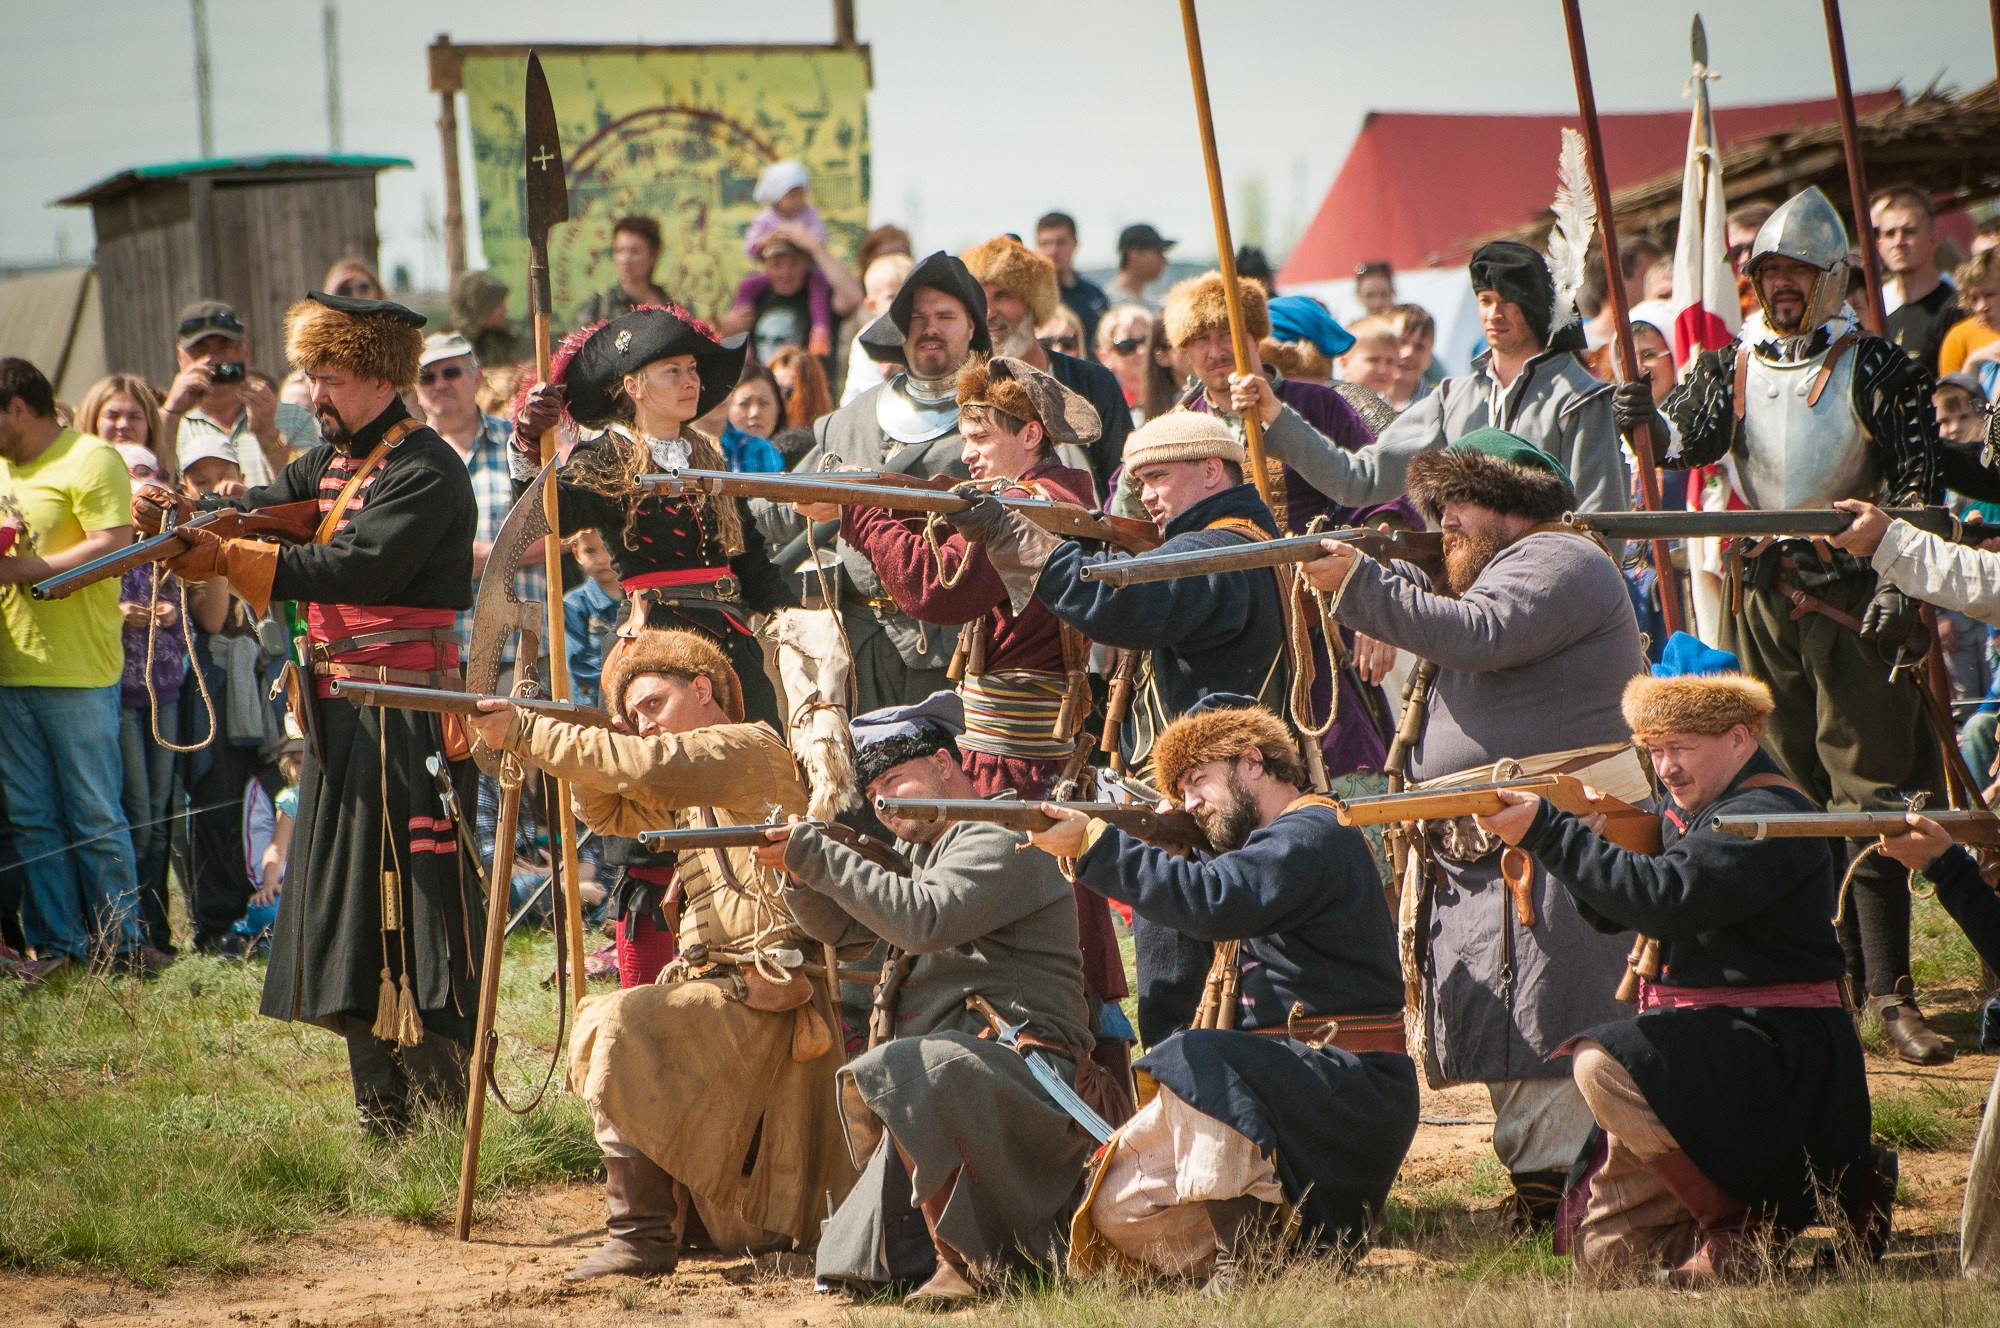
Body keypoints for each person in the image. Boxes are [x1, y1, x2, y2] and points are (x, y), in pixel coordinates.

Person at [1615, 185, 1952, 1066]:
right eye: (1769, 272)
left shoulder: (1877, 368)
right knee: (1787, 789)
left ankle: (1890, 991)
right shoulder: (1729, 365)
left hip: (1853, 597)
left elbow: (1919, 496)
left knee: (1869, 792)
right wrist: (1644, 418)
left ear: (1833, 276)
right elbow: (1684, 445)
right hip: (1768, 596)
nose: (1782, 287)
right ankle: (1825, 980)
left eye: (1798, 271)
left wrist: (1903, 584)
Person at [144, 293, 483, 1132]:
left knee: (416, 911)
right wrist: (189, 517)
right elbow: (268, 502)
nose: (310, 394)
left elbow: (351, 568)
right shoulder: (333, 463)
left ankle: (440, 1116)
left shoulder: (426, 468)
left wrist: (229, 556)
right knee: (345, 913)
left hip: (407, 720)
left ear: (375, 377)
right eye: (309, 375)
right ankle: (380, 1108)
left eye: (324, 377)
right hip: (341, 718)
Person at [1298, 429, 1647, 1226]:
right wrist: (1383, 582)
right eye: (1439, 504)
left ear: (1514, 500)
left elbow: (1479, 635)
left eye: (1459, 500)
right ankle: (1545, 1188)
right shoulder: (1495, 569)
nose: (1445, 518)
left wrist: (1362, 583)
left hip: (1558, 831)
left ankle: (1573, 1192)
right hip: (1495, 842)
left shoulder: (1561, 558)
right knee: (1512, 1013)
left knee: (1557, 1011)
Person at [1474, 638, 1884, 1283]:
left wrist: (1548, 833)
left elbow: (1663, 901)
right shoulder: (1696, 812)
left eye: (1681, 747)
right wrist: (1590, 838)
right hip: (1709, 1051)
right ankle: (1778, 1201)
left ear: (1740, 738)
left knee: (1601, 1060)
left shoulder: (1762, 818)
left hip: (1772, 1050)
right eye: (1655, 749)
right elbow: (1622, 912)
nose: (1665, 768)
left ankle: (1740, 1225)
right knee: (1609, 1264)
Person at [465, 627, 854, 1279]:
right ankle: (651, 1226)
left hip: (774, 987)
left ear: (702, 690)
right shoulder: (696, 777)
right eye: (633, 715)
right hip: (730, 991)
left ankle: (640, 1237)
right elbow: (612, 809)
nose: (642, 724)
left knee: (616, 1021)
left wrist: (532, 733)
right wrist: (592, 738)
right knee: (611, 1023)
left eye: (652, 705)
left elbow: (643, 770)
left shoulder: (746, 746)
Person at [1037, 699, 1417, 1288]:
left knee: (1196, 1057)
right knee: (1114, 1209)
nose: (1189, 803)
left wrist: (1098, 845)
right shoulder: (1255, 853)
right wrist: (1171, 852)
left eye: (1197, 781)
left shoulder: (1313, 832)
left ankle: (1250, 1262)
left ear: (1253, 763)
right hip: (1287, 1096)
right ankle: (1291, 1248)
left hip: (1350, 1087)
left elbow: (1216, 902)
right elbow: (1186, 952)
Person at [844, 357, 1129, 1079]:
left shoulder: (1027, 505)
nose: (966, 451)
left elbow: (931, 591)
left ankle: (1076, 1099)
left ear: (1030, 433)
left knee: (1011, 945)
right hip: (1028, 756)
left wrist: (859, 509)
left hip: (1014, 766)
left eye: (979, 434)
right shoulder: (1048, 494)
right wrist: (895, 502)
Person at [758, 702, 1098, 1306]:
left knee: (913, 1065)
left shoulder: (1002, 837)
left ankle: (968, 1261)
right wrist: (800, 874)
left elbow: (921, 919)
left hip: (1029, 1073)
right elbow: (853, 933)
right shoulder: (928, 853)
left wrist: (818, 855)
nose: (885, 802)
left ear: (945, 764)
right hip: (957, 1072)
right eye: (875, 791)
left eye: (896, 781)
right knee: (859, 1264)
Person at [983, 411, 1291, 1045]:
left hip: (1209, 800)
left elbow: (1115, 604)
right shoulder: (1238, 542)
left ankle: (1190, 1114)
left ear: (1212, 470)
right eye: (1139, 480)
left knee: (1179, 990)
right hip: (1227, 787)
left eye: (1158, 477)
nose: (1146, 495)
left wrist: (1021, 537)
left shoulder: (1216, 548)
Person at [1172, 272, 1407, 783]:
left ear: (1255, 336)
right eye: (1201, 339)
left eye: (1226, 335)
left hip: (1323, 633)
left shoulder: (1319, 404)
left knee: (1354, 781)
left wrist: (1377, 608)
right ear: (1184, 351)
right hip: (1227, 643)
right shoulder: (1179, 425)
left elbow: (1384, 505)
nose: (1216, 351)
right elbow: (1139, 519)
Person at [512, 304, 796, 729]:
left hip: (732, 642)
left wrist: (796, 624)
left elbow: (749, 560)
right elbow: (552, 514)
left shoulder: (707, 457)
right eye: (673, 371)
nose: (691, 381)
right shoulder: (608, 454)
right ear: (634, 386)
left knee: (763, 763)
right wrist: (527, 441)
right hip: (656, 648)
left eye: (693, 368)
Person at [758, 253, 990, 713]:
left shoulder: (998, 418)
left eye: (945, 316)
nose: (930, 328)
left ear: (971, 329)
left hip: (954, 647)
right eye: (917, 318)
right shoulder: (848, 420)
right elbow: (780, 509)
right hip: (854, 645)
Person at [1253, 242, 1629, 518]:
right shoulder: (1452, 399)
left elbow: (1599, 526)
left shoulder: (1580, 399)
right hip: (1469, 604)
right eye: (1485, 299)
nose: (1494, 313)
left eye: (1508, 301)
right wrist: (1275, 412)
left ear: (1533, 307)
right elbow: (1358, 479)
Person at [0, 358, 153, 983]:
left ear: (16, 408)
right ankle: (59, 947)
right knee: (32, 816)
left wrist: (24, 568)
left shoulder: (90, 458)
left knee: (94, 812)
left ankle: (124, 945)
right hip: (12, 668)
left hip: (79, 669)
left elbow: (115, 542)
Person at [961, 235, 1129, 491]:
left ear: (1034, 300)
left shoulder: (1093, 382)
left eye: (1002, 295)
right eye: (979, 299)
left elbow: (1121, 481)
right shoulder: (964, 388)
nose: (989, 313)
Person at [415, 332, 542, 649]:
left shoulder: (524, 445)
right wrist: (476, 557)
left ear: (477, 377)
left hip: (520, 642)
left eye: (451, 372)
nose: (440, 383)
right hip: (437, 649)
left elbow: (562, 533)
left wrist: (492, 556)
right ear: (415, 390)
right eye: (427, 377)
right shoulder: (404, 457)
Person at [163, 300, 319, 488]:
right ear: (181, 357)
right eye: (200, 350)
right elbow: (154, 492)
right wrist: (171, 413)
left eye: (224, 347)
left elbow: (310, 493)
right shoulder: (167, 423)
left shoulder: (293, 418)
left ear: (245, 351)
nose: (213, 359)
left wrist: (269, 435)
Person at [724, 231, 863, 373]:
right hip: (765, 391)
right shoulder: (753, 296)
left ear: (806, 263)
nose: (785, 273)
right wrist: (725, 330)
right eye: (777, 264)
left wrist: (816, 248)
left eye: (793, 263)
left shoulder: (821, 296)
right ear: (766, 266)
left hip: (812, 391)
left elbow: (854, 297)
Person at [1873, 186, 1959, 375]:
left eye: (1909, 231)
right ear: (1879, 245)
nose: (1898, 242)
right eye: (1889, 234)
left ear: (1933, 240)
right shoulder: (1880, 315)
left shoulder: (1956, 309)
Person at [841, 252, 916, 405]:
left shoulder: (916, 330)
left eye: (908, 295)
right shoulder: (868, 338)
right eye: (892, 297)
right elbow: (868, 388)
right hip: (864, 409)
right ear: (872, 305)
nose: (901, 303)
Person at [573, 216, 674, 328]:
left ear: (654, 255)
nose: (625, 259)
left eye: (634, 251)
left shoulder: (670, 308)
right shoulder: (598, 306)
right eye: (619, 251)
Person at [563, 527, 624, 707]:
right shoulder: (574, 604)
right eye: (590, 551)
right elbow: (579, 664)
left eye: (608, 548)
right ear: (576, 553)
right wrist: (622, 682)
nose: (601, 559)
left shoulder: (639, 599)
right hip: (592, 705)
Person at [1036, 211, 1110, 353]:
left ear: (1075, 244)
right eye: (1045, 243)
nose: (1053, 250)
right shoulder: (1030, 297)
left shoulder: (1094, 295)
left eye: (1060, 242)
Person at [1941, 248, 2000, 387]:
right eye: (1974, 299)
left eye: (1989, 294)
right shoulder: (1958, 337)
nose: (1981, 306)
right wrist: (1973, 361)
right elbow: (1953, 402)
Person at [450, 269, 526, 376]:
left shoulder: (506, 339)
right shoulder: (448, 346)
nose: (505, 310)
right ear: (479, 307)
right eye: (498, 305)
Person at [717, 365, 788, 474]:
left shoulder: (771, 452)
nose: (754, 413)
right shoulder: (708, 448)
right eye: (744, 404)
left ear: (779, 407)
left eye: (763, 403)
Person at [1095, 305, 1156, 426]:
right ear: (1105, 357)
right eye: (1127, 346)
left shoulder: (1177, 395)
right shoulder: (1101, 408)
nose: (1141, 351)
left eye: (1147, 341)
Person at [1108, 223, 1174, 310]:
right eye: (1158, 252)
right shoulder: (1106, 304)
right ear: (1134, 255)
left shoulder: (1157, 306)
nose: (1165, 260)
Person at [1388, 303, 1440, 409]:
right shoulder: (1359, 402)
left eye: (1420, 347)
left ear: (1429, 358)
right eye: (1401, 342)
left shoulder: (1440, 406)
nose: (1409, 353)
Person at [1338, 316, 1402, 399]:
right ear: (1345, 363)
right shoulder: (1332, 405)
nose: (1382, 370)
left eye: (1390, 362)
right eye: (1373, 360)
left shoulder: (1385, 407)